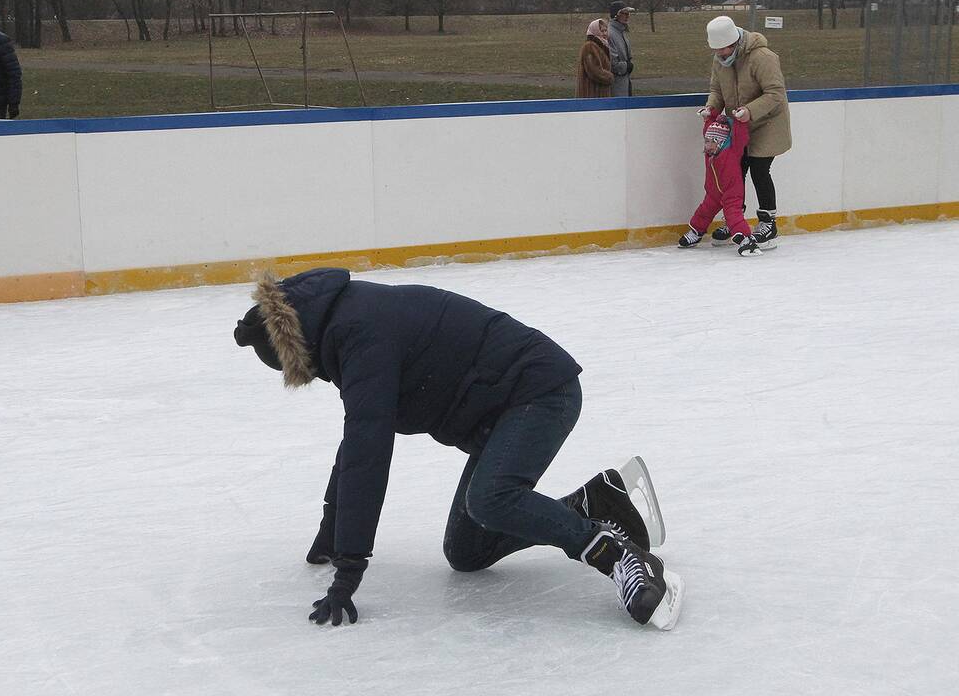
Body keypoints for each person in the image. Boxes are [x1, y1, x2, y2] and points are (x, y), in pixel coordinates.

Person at [233, 268, 683, 630]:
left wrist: (349, 569)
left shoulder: (360, 334)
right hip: (500, 410)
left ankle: (617, 555)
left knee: (491, 498)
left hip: (539, 392)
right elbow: (358, 443)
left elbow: (367, 453)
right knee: (467, 552)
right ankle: (598, 502)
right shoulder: (343, 320)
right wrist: (332, 531)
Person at [698, 15, 791, 249]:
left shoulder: (763, 57)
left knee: (760, 170)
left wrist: (750, 110)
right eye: (717, 51)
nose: (721, 55)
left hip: (766, 124)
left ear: (735, 42)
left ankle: (768, 224)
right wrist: (711, 107)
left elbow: (775, 93)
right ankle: (734, 220)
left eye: (724, 50)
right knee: (734, 173)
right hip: (738, 127)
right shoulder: (720, 60)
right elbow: (716, 89)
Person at [678, 109, 761, 256]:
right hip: (713, 192)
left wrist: (739, 121)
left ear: (721, 142)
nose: (707, 145)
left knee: (733, 216)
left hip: (731, 192)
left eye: (712, 142)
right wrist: (708, 118)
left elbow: (740, 137)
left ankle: (747, 241)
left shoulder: (732, 151)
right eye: (706, 142)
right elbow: (708, 130)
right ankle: (696, 232)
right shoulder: (709, 154)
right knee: (703, 212)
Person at [576, 18, 614, 98]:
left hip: (600, 93)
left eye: (605, 30)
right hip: (591, 94)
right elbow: (594, 71)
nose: (604, 33)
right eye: (601, 31)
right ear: (595, 31)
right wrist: (609, 77)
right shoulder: (589, 46)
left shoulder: (602, 46)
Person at [607, 1, 635, 97]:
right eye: (624, 13)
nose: (627, 16)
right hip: (615, 85)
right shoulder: (610, 34)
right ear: (616, 15)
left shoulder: (621, 32)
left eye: (628, 13)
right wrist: (626, 66)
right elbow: (612, 64)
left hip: (624, 82)